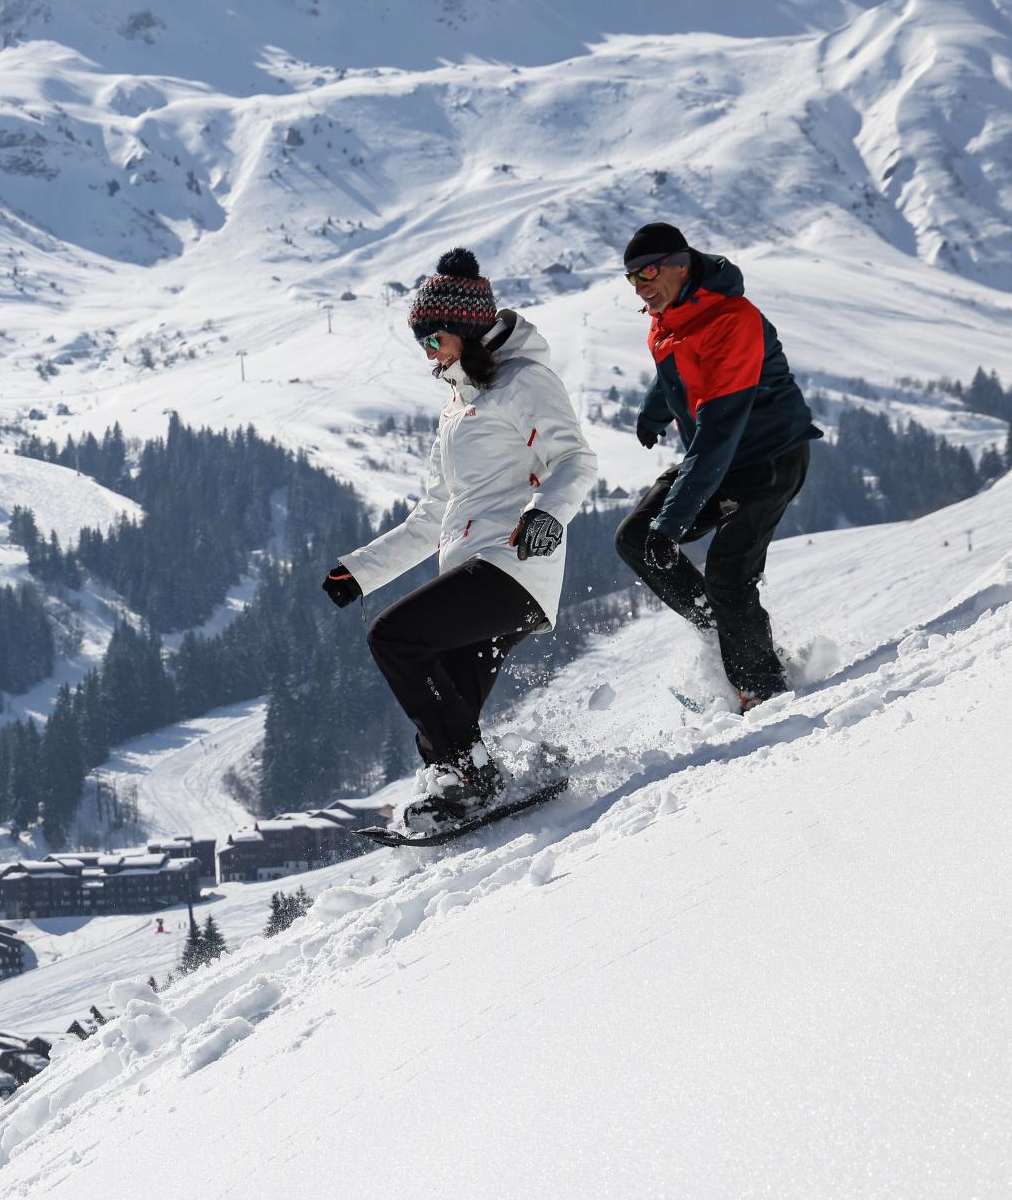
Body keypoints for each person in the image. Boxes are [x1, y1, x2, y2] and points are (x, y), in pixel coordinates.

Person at [323, 249, 599, 829]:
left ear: (469, 328)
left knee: (395, 637)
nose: (428, 353)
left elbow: (574, 458)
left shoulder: (525, 380)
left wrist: (548, 514)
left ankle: (471, 776)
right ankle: (465, 788)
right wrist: (363, 570)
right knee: (448, 705)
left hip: (515, 563)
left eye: (434, 339)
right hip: (473, 572)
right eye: (422, 343)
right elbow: (433, 514)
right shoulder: (457, 409)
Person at [615, 223, 820, 708]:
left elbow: (721, 430)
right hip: (722, 457)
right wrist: (654, 411)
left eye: (647, 273)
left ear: (681, 264)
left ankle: (763, 693)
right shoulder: (670, 310)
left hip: (768, 460)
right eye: (630, 279)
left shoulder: (732, 319)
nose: (641, 288)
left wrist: (673, 524)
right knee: (634, 539)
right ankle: (727, 633)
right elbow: (680, 365)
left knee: (728, 574)